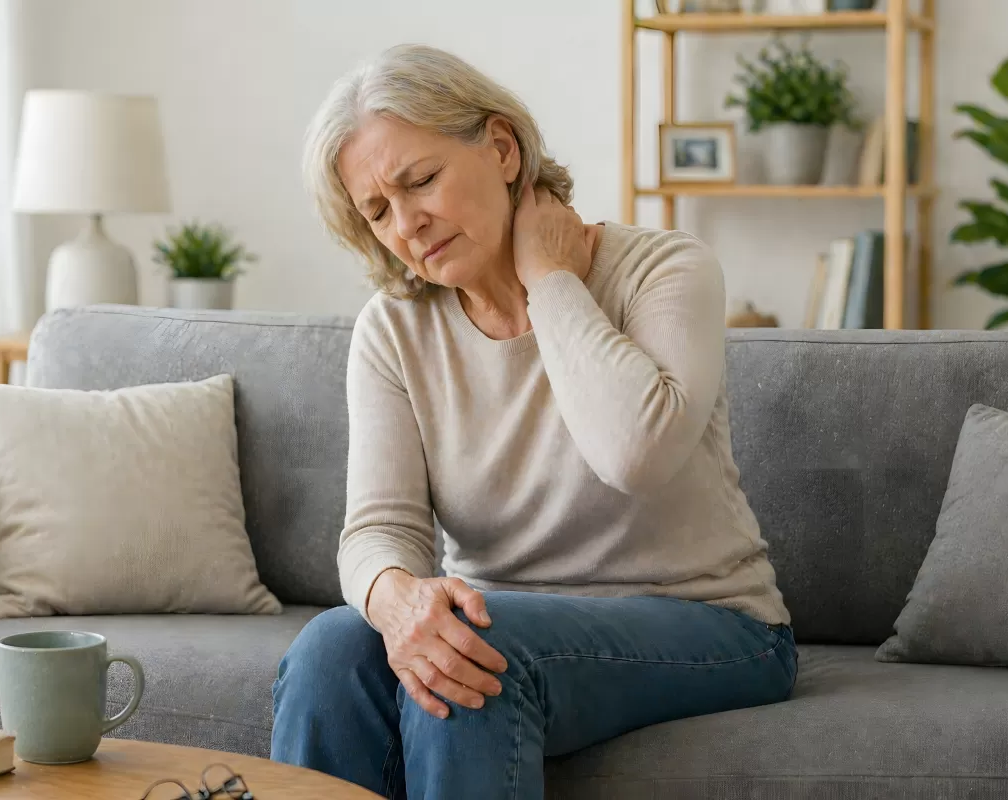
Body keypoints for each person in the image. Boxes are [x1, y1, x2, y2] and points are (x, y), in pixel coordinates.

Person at [271, 43, 796, 800]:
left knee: (472, 660)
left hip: (714, 628)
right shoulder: (394, 330)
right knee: (331, 650)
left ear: (502, 148)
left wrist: (549, 280)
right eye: (378, 211)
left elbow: (635, 454)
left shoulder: (664, 270)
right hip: (502, 620)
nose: (408, 224)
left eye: (421, 181)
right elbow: (377, 530)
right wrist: (400, 604)